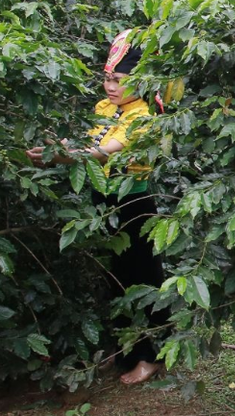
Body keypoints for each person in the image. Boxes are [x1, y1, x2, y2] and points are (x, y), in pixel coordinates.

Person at [27, 30, 165, 384]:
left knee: (142, 276)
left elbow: (100, 151)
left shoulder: (143, 115)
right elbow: (83, 140)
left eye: (119, 80)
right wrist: (52, 143)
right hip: (103, 200)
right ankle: (123, 352)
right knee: (114, 278)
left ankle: (152, 356)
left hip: (134, 202)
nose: (111, 86)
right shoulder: (105, 109)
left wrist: (57, 155)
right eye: (107, 78)